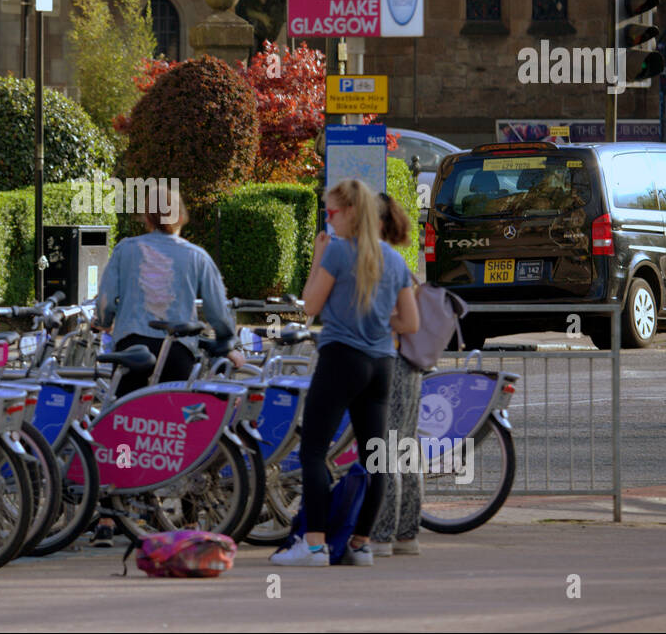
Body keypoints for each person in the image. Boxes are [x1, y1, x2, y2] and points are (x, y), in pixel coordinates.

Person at [270, 178, 419, 567]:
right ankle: (360, 544)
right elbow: (411, 322)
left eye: (332, 212)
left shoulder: (338, 252)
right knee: (376, 456)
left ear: (351, 212)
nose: (328, 219)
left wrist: (319, 257)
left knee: (314, 451)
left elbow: (310, 307)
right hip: (381, 363)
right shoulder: (395, 259)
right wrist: (378, 321)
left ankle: (315, 546)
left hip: (340, 358)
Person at [90, 184, 245, 545]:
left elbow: (104, 304)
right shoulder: (197, 256)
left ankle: (114, 508)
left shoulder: (126, 249)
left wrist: (105, 320)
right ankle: (164, 503)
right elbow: (220, 312)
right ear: (181, 216)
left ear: (146, 216)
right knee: (170, 430)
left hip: (132, 349)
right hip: (178, 352)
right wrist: (226, 341)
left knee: (124, 427)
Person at [369, 192, 424, 558]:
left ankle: (384, 532)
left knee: (386, 449)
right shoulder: (400, 264)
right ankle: (407, 534)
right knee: (405, 448)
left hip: (393, 359)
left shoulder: (380, 264)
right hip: (411, 363)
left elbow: (404, 320)